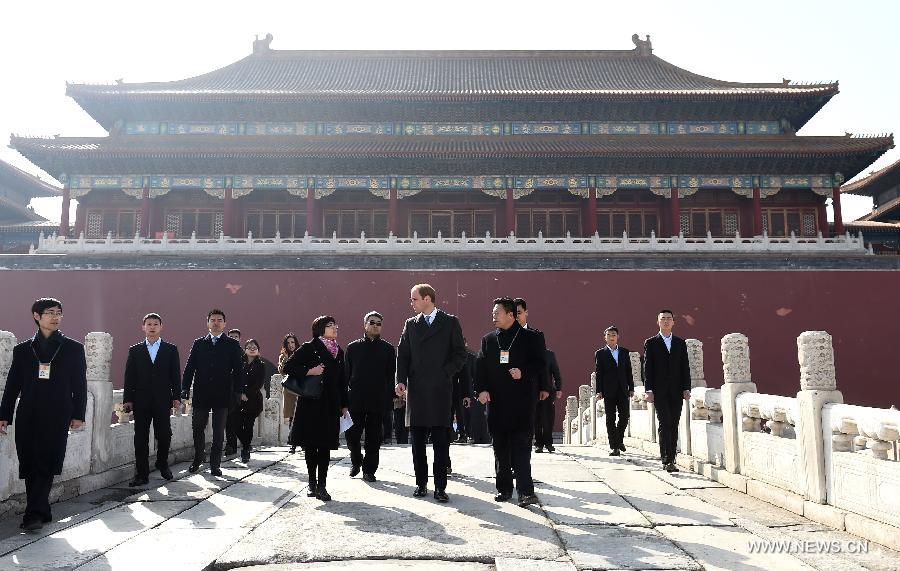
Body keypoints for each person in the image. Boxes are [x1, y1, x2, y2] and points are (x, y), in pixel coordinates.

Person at [0, 298, 87, 531]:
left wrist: (79, 413)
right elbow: (12, 386)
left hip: (58, 412)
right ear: (36, 316)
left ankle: (33, 514)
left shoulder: (73, 348)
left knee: (46, 460)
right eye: (50, 313)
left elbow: (79, 384)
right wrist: (4, 414)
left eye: (59, 312)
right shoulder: (23, 350)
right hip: (28, 412)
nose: (56, 317)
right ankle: (42, 509)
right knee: (29, 460)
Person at [395, 283, 467, 503]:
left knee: (440, 443)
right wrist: (400, 381)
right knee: (417, 442)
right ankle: (421, 483)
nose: (411, 303)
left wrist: (445, 372)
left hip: (439, 390)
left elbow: (460, 354)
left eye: (414, 299)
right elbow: (403, 355)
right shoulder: (410, 324)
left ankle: (440, 487)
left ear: (427, 299)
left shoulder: (450, 322)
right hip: (416, 390)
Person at [476, 297, 549, 508]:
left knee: (521, 448)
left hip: (522, 403)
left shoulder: (530, 338)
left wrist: (523, 372)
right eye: (493, 311)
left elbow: (540, 364)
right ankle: (504, 489)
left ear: (510, 315)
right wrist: (481, 390)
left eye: (497, 312)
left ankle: (526, 492)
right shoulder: (489, 339)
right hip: (497, 403)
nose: (493, 315)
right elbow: (480, 368)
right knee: (500, 448)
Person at [283, 316, 349, 501]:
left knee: (326, 445)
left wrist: (344, 405)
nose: (335, 328)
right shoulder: (309, 347)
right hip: (311, 402)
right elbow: (288, 366)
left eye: (335, 325)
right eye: (330, 326)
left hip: (330, 403)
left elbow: (341, 380)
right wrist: (310, 371)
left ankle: (323, 485)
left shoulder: (339, 351)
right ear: (320, 329)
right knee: (311, 445)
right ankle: (312, 484)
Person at [181, 309, 244, 476]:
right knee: (197, 428)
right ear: (207, 323)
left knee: (218, 430)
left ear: (224, 324)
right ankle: (198, 457)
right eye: (213, 320)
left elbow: (238, 370)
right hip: (201, 393)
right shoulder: (198, 343)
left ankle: (215, 464)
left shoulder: (232, 344)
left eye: (219, 320)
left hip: (222, 395)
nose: (216, 323)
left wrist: (238, 391)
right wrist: (185, 388)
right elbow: (189, 368)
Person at [123, 313, 181, 486]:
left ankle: (162, 463)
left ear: (161, 326)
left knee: (164, 434)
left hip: (163, 400)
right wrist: (128, 399)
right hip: (141, 400)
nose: (152, 327)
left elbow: (175, 376)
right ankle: (142, 474)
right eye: (149, 324)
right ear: (143, 327)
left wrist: (176, 397)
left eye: (156, 324)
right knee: (140, 437)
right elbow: (129, 377)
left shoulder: (170, 349)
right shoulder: (135, 350)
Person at [344, 311, 396, 482]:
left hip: (377, 399)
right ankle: (356, 461)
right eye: (372, 322)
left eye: (378, 323)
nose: (375, 325)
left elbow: (390, 377)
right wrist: (343, 399)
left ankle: (369, 470)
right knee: (352, 436)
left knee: (374, 438)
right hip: (355, 399)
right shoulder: (353, 348)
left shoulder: (388, 349)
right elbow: (346, 375)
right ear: (365, 325)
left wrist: (389, 400)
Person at [643, 309, 691, 473]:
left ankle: (672, 458)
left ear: (673, 322)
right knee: (664, 423)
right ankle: (666, 459)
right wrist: (648, 390)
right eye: (663, 319)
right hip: (659, 391)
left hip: (677, 390)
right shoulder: (651, 343)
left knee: (674, 424)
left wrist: (686, 388)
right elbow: (647, 368)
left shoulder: (680, 343)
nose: (666, 321)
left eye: (669, 319)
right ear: (658, 322)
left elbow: (685, 367)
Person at [513, 298, 563, 453]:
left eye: (519, 313)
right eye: (513, 313)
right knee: (531, 421)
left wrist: (546, 388)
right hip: (515, 389)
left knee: (545, 418)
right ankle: (536, 444)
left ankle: (546, 443)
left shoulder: (536, 336)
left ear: (526, 313)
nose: (516, 316)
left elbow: (543, 367)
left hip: (539, 388)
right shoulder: (503, 336)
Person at [594, 326, 634, 457]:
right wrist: (598, 391)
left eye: (614, 335)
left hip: (623, 389)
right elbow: (599, 373)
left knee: (624, 416)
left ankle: (618, 439)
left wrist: (631, 388)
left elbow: (629, 371)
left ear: (618, 337)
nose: (612, 337)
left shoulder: (624, 352)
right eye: (609, 335)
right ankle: (615, 447)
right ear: (605, 337)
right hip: (608, 390)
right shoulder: (600, 353)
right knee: (610, 418)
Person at [237, 339, 266, 463]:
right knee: (235, 425)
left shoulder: (261, 365)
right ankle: (247, 444)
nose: (252, 348)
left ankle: (245, 451)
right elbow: (235, 379)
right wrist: (240, 393)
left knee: (248, 425)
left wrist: (247, 394)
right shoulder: (239, 363)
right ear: (245, 350)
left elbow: (259, 383)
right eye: (249, 347)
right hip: (238, 400)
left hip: (253, 400)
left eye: (255, 346)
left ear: (258, 350)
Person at [278, 333, 300, 453]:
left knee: (301, 416)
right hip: (290, 389)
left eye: (292, 342)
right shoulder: (283, 356)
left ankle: (301, 441)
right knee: (292, 417)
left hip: (301, 388)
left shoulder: (302, 354)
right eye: (288, 343)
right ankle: (292, 443)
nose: (291, 345)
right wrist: (286, 358)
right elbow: (282, 371)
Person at [224, 328, 243, 456]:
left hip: (238, 391)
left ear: (239, 338)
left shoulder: (243, 353)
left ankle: (237, 444)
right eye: (231, 336)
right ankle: (230, 445)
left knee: (236, 419)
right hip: (225, 391)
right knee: (228, 419)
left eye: (236, 336)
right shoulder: (223, 352)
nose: (234, 338)